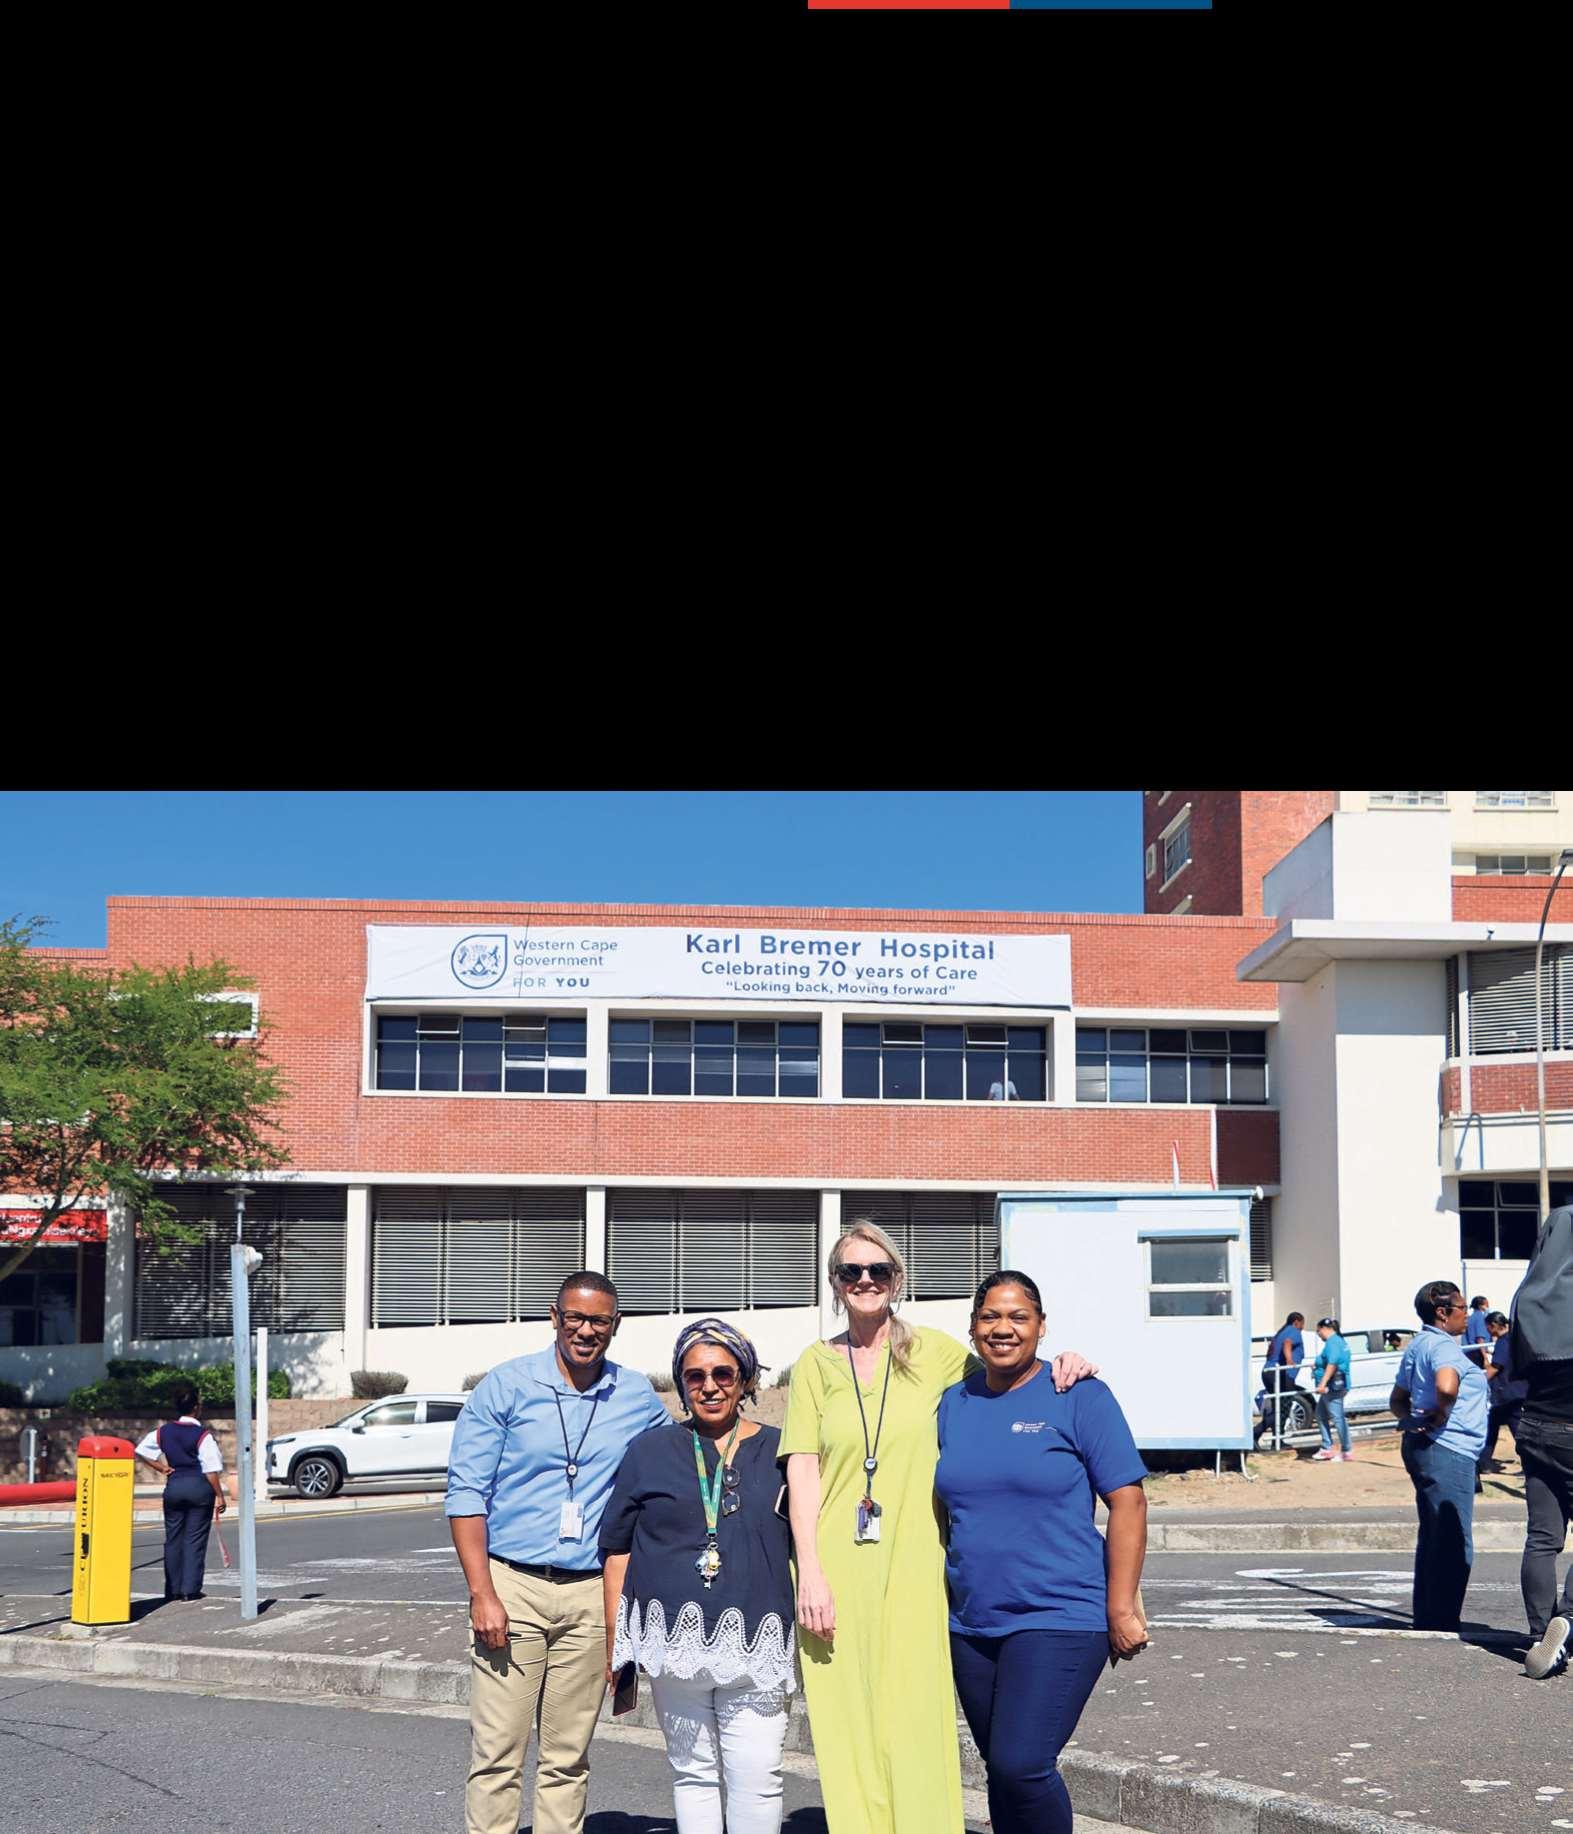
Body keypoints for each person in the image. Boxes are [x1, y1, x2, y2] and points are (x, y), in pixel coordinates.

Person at [780, 1221, 1095, 1834]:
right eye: (851, 1271)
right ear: (835, 1283)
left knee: (915, 1715)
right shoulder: (814, 1364)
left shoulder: (940, 1354)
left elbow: (1013, 1373)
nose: (865, 1280)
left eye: (878, 1270)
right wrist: (810, 1572)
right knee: (847, 1717)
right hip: (835, 1564)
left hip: (919, 1559)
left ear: (897, 1280)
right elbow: (803, 1468)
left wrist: (1067, 1361)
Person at [446, 1271, 671, 1834]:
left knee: (567, 1756)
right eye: (575, 1317)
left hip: (591, 1592)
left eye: (599, 1321)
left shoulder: (635, 1395)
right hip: (512, 1585)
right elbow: (466, 1493)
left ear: (615, 1326)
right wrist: (481, 1593)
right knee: (497, 1752)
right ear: (555, 1317)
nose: (585, 1330)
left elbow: (676, 1460)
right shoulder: (506, 1386)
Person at [936, 1272, 1148, 1834]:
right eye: (989, 1317)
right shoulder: (953, 1403)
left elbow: (1128, 1501)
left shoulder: (1078, 1395)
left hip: (1060, 1613)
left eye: (1018, 1317)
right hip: (973, 1622)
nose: (1002, 1329)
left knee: (1022, 1765)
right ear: (973, 1327)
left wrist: (1121, 1607)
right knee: (1001, 1771)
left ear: (1041, 1326)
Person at [600, 1319, 793, 1834]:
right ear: (681, 1383)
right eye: (695, 1376)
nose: (709, 1386)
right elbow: (617, 1548)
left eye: (723, 1374)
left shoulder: (783, 1452)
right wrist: (616, 1640)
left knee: (759, 1777)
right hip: (673, 1644)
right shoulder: (649, 1451)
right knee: (693, 1775)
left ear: (745, 1379)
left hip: (758, 1643)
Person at [1389, 1279, 1489, 1633]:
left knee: (1433, 1535)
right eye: (1462, 1308)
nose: (1468, 1315)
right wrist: (1440, 1415)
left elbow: (1396, 1400)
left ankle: (1429, 1616)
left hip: (1427, 1448)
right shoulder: (1444, 1347)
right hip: (1448, 1449)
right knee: (1453, 1538)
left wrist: (1413, 1420)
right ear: (1443, 1313)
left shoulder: (1419, 1345)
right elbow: (1447, 1386)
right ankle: (1442, 1619)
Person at [1507, 1204, 1573, 1680]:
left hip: (1535, 1427)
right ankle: (1567, 1621)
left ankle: (1539, 1634)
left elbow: (1513, 1369)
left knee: (1543, 1537)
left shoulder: (1527, 1301)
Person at [133, 1381, 226, 1602]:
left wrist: (161, 1468)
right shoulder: (202, 1435)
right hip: (199, 1488)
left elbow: (141, 1450)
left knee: (173, 1539)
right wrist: (220, 1496)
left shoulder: (163, 1431)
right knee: (194, 1539)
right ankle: (189, 1589)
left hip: (174, 1487)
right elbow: (210, 1469)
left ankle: (173, 1589)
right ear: (196, 1408)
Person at [1478, 1311, 1525, 1474]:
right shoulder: (1515, 1338)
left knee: (1517, 1430)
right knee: (1493, 1426)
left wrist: (1478, 1381)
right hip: (1514, 1390)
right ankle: (1484, 1461)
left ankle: (1530, 1463)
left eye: (1487, 1327)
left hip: (1507, 1392)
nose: (1487, 1331)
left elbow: (1496, 1367)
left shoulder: (1503, 1342)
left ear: (1493, 1326)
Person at [1309, 1317, 1353, 1462]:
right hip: (1335, 1385)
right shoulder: (1339, 1341)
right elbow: (1328, 1361)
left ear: (1324, 1329)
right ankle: (1326, 1447)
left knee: (1337, 1418)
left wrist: (1322, 1384)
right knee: (1320, 1414)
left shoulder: (1332, 1343)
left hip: (1333, 1387)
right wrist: (1317, 1365)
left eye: (1318, 1331)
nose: (1318, 1334)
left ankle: (1346, 1450)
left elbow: (1332, 1364)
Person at [1259, 1311, 1305, 1442]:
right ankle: (1256, 1433)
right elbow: (1287, 1343)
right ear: (1296, 1322)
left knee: (1278, 1408)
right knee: (1283, 1408)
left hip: (1269, 1372)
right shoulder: (1293, 1331)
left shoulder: (1281, 1332)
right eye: (1302, 1324)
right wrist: (1289, 1359)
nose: (1302, 1327)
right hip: (1281, 1374)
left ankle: (1277, 1440)